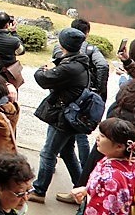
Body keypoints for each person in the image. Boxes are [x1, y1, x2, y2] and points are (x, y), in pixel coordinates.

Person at [50, 18, 108, 201]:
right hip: (83, 102)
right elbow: (103, 65)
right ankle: (84, 171)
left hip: (63, 102)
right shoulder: (91, 50)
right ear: (86, 34)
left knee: (53, 145)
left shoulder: (61, 49)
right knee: (80, 137)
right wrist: (97, 90)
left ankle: (72, 179)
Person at [29, 28, 89, 203]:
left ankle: (39, 191)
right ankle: (80, 189)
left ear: (64, 44)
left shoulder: (70, 67)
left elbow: (43, 79)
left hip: (63, 117)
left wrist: (42, 69)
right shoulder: (79, 61)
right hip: (70, 115)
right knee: (68, 152)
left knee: (48, 153)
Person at [71, 118, 135, 215]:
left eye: (103, 136)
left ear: (119, 147)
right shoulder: (130, 165)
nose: (97, 138)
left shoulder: (112, 179)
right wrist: (87, 190)